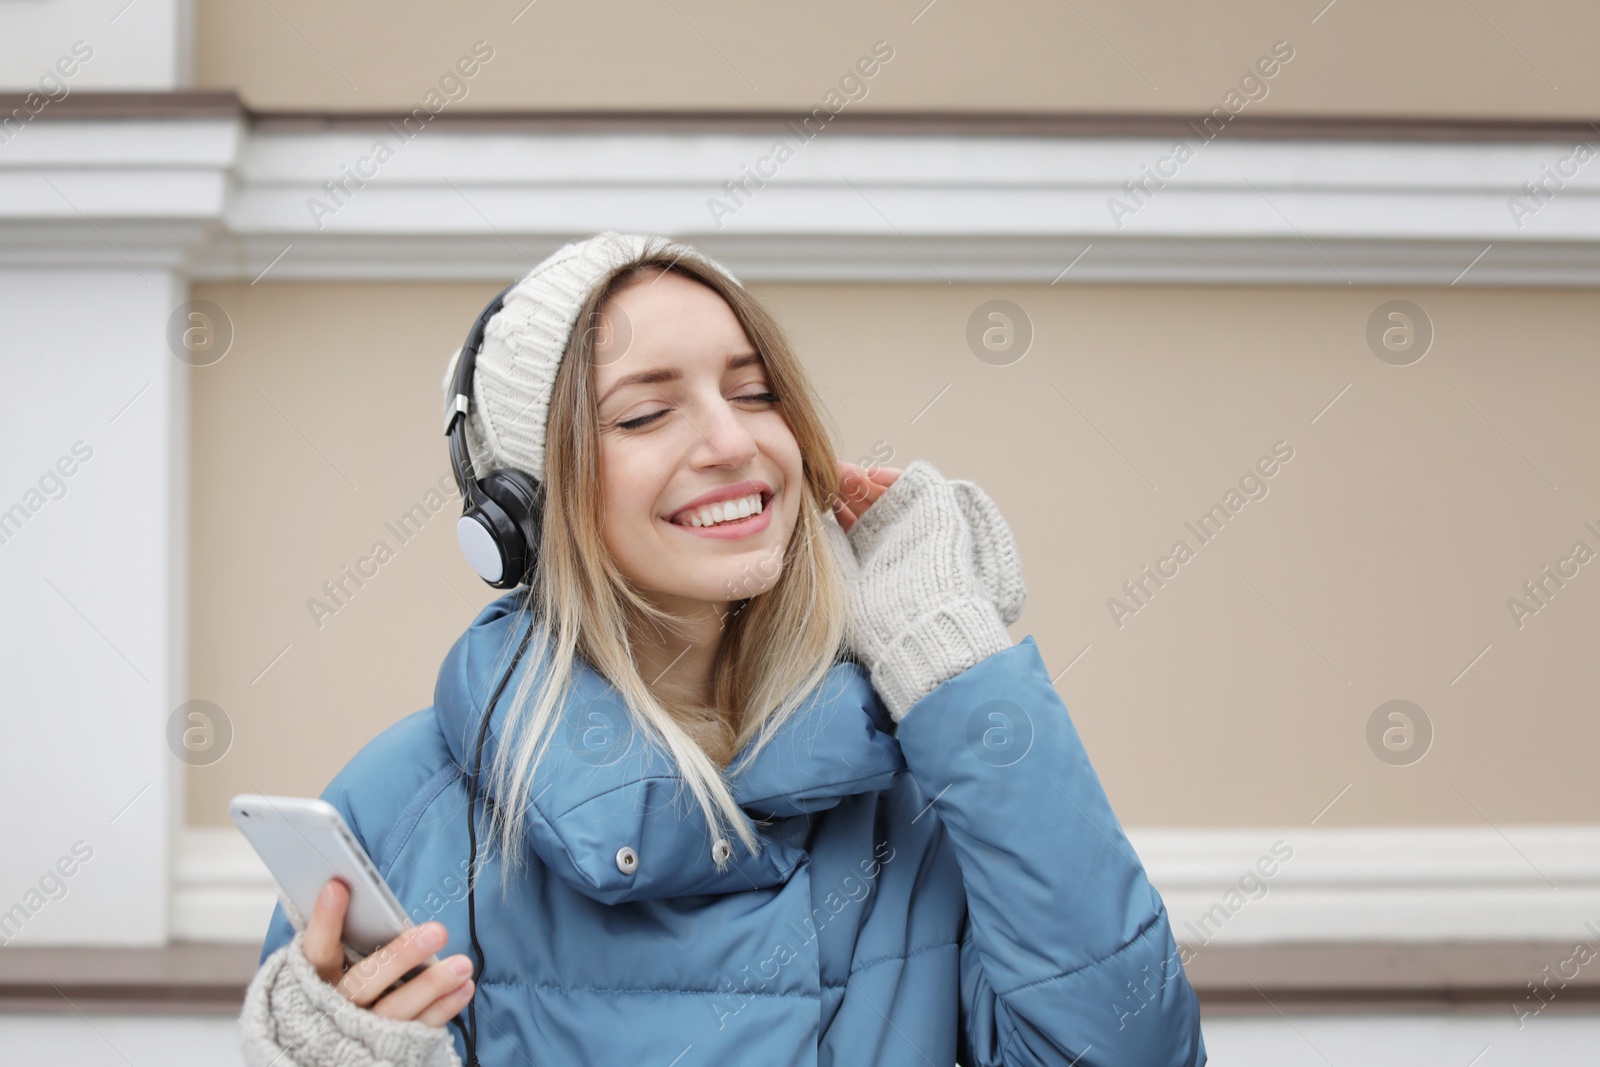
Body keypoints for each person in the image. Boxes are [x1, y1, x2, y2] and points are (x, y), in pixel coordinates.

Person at [236, 231, 1207, 1066]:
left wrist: (949, 655)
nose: (733, 441)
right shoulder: (398, 809)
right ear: (522, 509)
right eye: (646, 412)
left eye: (755, 393)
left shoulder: (926, 788)